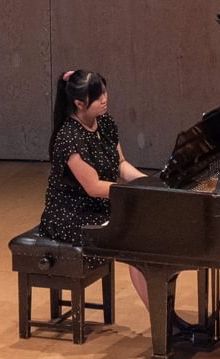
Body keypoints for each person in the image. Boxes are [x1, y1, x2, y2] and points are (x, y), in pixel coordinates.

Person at [39, 69, 149, 306]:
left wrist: (148, 183)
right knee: (136, 244)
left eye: (104, 92)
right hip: (72, 215)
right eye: (98, 97)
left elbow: (120, 164)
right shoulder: (68, 137)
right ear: (79, 103)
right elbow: (93, 187)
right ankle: (159, 317)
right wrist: (132, 193)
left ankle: (162, 314)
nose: (104, 99)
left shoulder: (105, 122)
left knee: (146, 232)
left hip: (99, 207)